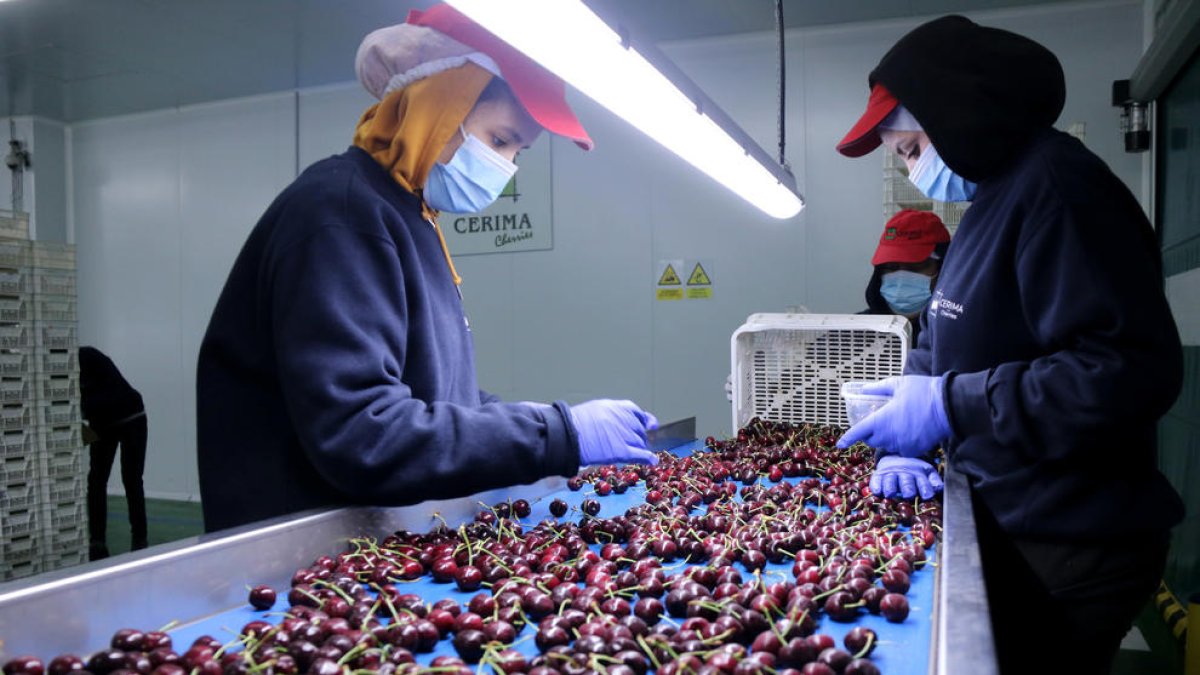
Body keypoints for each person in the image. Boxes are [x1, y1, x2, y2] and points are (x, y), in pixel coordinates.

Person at [195, 4, 658, 533]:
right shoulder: (340, 214)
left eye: (519, 154)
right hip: (293, 563)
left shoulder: (410, 217)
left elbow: (436, 397)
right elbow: (363, 432)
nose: (505, 169)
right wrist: (555, 433)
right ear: (438, 107)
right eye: (501, 140)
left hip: (376, 542)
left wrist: (533, 424)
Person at [834, 15, 1183, 675]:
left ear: (958, 112)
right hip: (1016, 514)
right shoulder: (990, 204)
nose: (911, 171)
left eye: (909, 150)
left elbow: (1125, 370)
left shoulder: (1058, 190)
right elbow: (946, 340)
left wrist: (950, 404)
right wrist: (907, 419)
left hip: (1076, 539)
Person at [79, 346, 148, 561]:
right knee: (97, 480)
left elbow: (98, 399)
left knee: (131, 479)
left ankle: (140, 538)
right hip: (104, 422)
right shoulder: (71, 366)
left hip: (131, 418)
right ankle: (97, 540)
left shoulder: (87, 356)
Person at [861, 208, 950, 346]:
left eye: (916, 266)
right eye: (891, 267)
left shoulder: (959, 336)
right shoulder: (854, 332)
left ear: (944, 268)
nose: (901, 278)